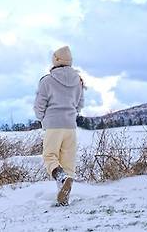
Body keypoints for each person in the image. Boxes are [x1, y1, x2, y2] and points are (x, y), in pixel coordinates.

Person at [33, 46, 84, 206]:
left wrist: (43, 119)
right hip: (70, 126)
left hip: (54, 125)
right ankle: (64, 198)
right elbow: (79, 105)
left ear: (56, 61)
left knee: (50, 157)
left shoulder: (47, 80)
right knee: (68, 163)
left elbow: (39, 105)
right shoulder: (78, 81)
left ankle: (61, 179)